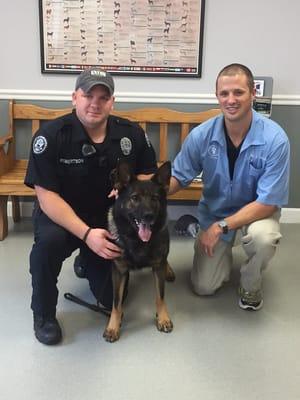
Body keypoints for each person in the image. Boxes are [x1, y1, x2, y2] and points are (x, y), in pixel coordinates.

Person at [25, 68, 157, 345]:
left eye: (103, 97)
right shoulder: (51, 136)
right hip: (61, 217)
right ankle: (43, 313)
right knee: (46, 246)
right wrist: (86, 235)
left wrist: (130, 188)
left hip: (107, 218)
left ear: (112, 102)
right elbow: (46, 196)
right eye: (88, 95)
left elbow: (147, 174)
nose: (95, 103)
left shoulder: (130, 134)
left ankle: (86, 260)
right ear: (75, 97)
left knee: (114, 301)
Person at [169, 63, 290, 311]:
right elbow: (178, 177)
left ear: (252, 94)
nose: (231, 100)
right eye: (224, 94)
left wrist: (221, 227)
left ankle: (250, 283)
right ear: (217, 97)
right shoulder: (201, 136)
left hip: (256, 213)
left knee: (264, 239)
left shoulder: (275, 139)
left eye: (238, 92)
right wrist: (140, 192)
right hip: (215, 212)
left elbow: (269, 201)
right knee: (204, 288)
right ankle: (205, 239)